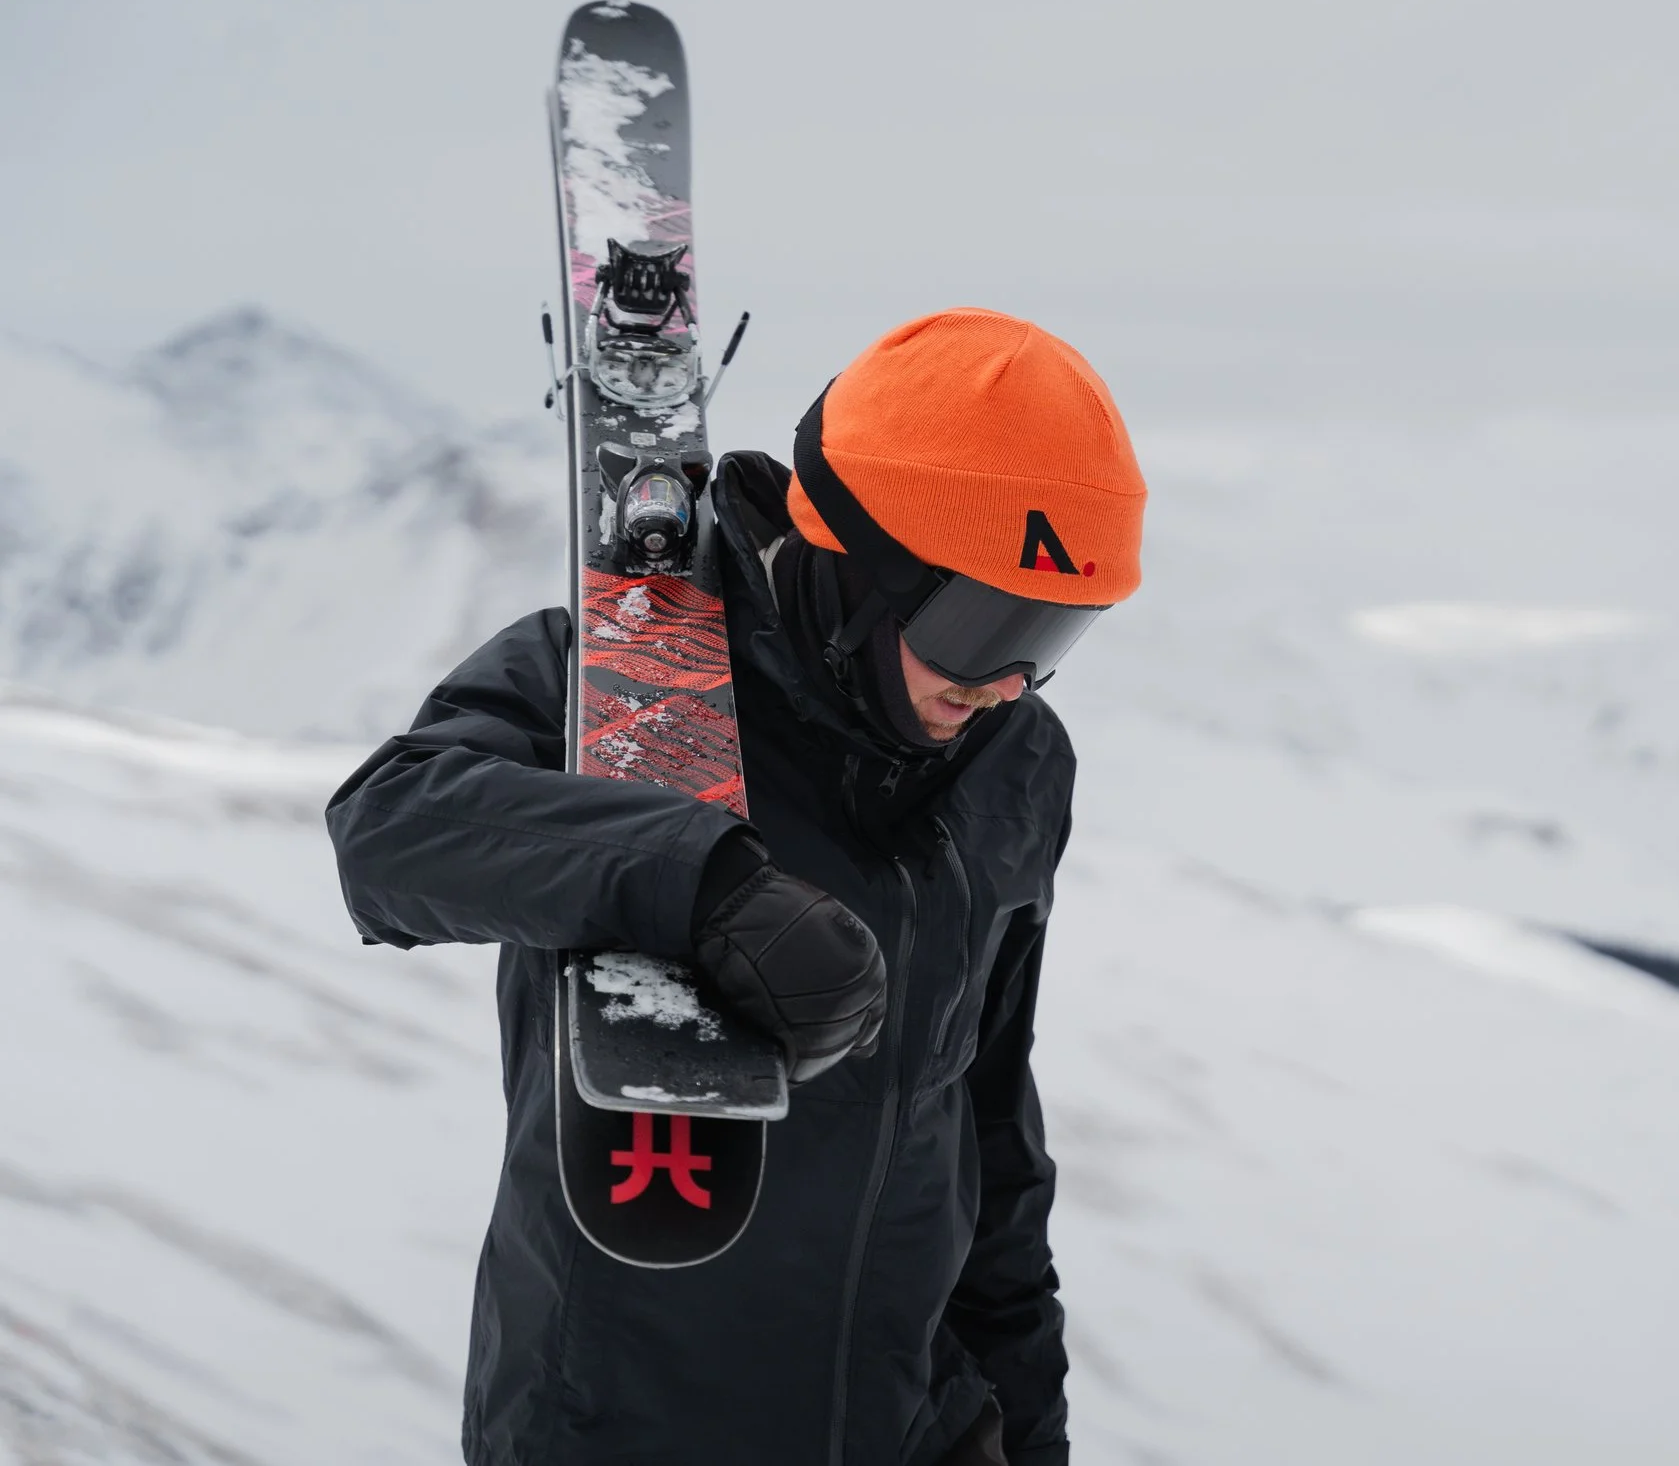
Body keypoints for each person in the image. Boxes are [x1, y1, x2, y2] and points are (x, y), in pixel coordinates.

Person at [327, 308, 1147, 1466]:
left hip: (906, 1429)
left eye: (1056, 633)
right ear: (864, 568)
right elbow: (391, 829)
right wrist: (699, 881)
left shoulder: (1017, 765)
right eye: (985, 625)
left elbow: (988, 1129)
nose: (1008, 683)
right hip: (616, 1429)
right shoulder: (618, 685)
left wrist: (1024, 1425)